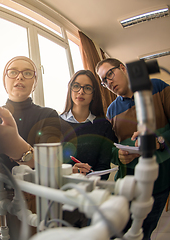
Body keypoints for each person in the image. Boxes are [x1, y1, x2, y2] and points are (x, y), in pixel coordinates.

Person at [0, 56, 61, 237]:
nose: (19, 77)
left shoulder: (48, 115)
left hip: (32, 198)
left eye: (27, 73)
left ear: (35, 82)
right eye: (13, 72)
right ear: (5, 80)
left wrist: (17, 147)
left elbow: (48, 164)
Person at [95, 58, 170, 240]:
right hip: (128, 184)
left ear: (123, 68)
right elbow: (112, 149)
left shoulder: (158, 87)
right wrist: (119, 156)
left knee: (143, 233)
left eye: (110, 74)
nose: (109, 82)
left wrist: (159, 141)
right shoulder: (111, 111)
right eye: (104, 81)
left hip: (159, 182)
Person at [59, 69, 117, 227]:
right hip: (61, 195)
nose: (81, 91)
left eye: (87, 88)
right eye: (76, 86)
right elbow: (49, 163)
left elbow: (104, 165)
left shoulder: (103, 125)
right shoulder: (55, 123)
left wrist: (89, 181)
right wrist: (71, 173)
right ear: (70, 89)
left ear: (94, 94)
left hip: (92, 195)